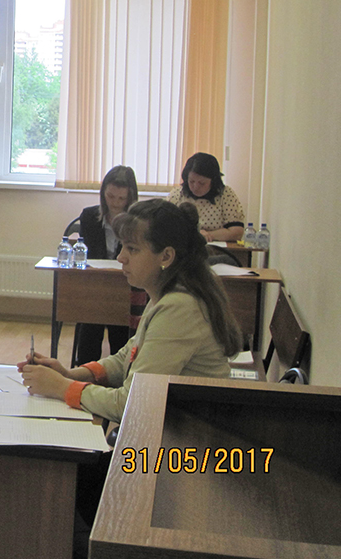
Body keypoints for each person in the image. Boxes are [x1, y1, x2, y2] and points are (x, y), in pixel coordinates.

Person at [20, 198, 243, 423]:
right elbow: (128, 356)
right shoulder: (166, 293)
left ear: (166, 256)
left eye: (132, 249)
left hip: (190, 435)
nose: (121, 257)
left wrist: (62, 387)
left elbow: (133, 403)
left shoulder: (180, 307)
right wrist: (70, 375)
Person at [75, 165, 145, 364]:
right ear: (103, 193)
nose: (115, 203)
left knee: (120, 335)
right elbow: (86, 254)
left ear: (130, 198)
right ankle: (84, 371)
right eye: (110, 196)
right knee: (90, 325)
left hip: (126, 285)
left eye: (121, 198)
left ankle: (118, 374)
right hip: (95, 285)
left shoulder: (139, 222)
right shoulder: (89, 216)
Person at [165, 152, 245, 242]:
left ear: (213, 181)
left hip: (216, 248)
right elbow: (162, 227)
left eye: (202, 183)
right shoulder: (177, 194)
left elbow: (237, 232)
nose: (195, 187)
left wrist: (209, 235)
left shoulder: (226, 194)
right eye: (191, 181)